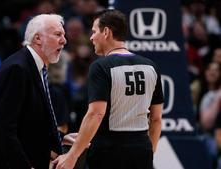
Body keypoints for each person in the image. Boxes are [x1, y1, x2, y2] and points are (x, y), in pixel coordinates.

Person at [54, 9, 164, 169]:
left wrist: (72, 156)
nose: (91, 37)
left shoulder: (100, 66)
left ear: (106, 32)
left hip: (109, 153)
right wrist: (149, 153)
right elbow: (156, 119)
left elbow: (96, 114)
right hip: (141, 150)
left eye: (94, 31)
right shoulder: (151, 66)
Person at [0, 14, 66, 169]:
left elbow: (29, 122)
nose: (64, 41)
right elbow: (2, 126)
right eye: (58, 34)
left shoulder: (34, 66)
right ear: (38, 38)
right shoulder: (17, 68)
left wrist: (61, 138)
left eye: (63, 35)